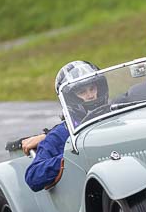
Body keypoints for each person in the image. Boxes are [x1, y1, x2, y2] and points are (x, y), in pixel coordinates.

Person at [24, 60, 108, 191]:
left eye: (92, 88)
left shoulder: (115, 115)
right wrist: (69, 159)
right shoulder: (61, 133)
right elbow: (33, 176)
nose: (91, 95)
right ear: (70, 97)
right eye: (82, 92)